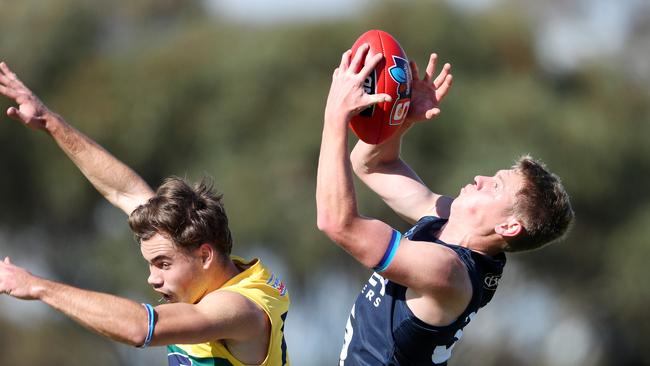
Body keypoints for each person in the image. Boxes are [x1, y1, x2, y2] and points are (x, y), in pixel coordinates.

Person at [0, 62, 290, 366]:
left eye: (163, 264)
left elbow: (141, 328)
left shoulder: (239, 309)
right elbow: (123, 191)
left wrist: (37, 287)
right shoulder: (207, 267)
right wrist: (50, 121)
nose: (153, 279)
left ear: (205, 255)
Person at [316, 44, 574, 365]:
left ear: (508, 226)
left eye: (495, 186)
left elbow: (338, 223)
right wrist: (400, 117)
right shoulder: (448, 222)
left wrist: (334, 117)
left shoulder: (446, 272)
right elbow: (372, 166)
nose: (480, 178)